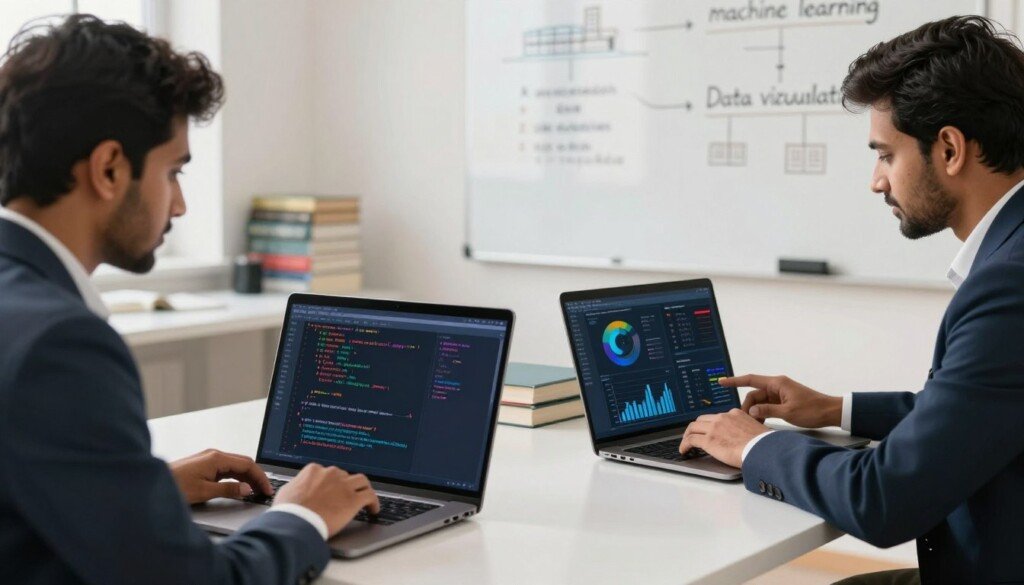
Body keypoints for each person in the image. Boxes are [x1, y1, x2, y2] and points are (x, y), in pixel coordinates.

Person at [0, 14, 378, 584]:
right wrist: (303, 515)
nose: (178, 206)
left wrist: (139, 491)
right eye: (173, 172)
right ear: (109, 168)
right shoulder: (61, 343)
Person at [677, 15, 1024, 584]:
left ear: (951, 149)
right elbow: (979, 413)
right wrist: (837, 410)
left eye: (886, 154)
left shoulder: (1008, 284)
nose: (877, 181)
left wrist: (755, 447)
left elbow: (884, 499)